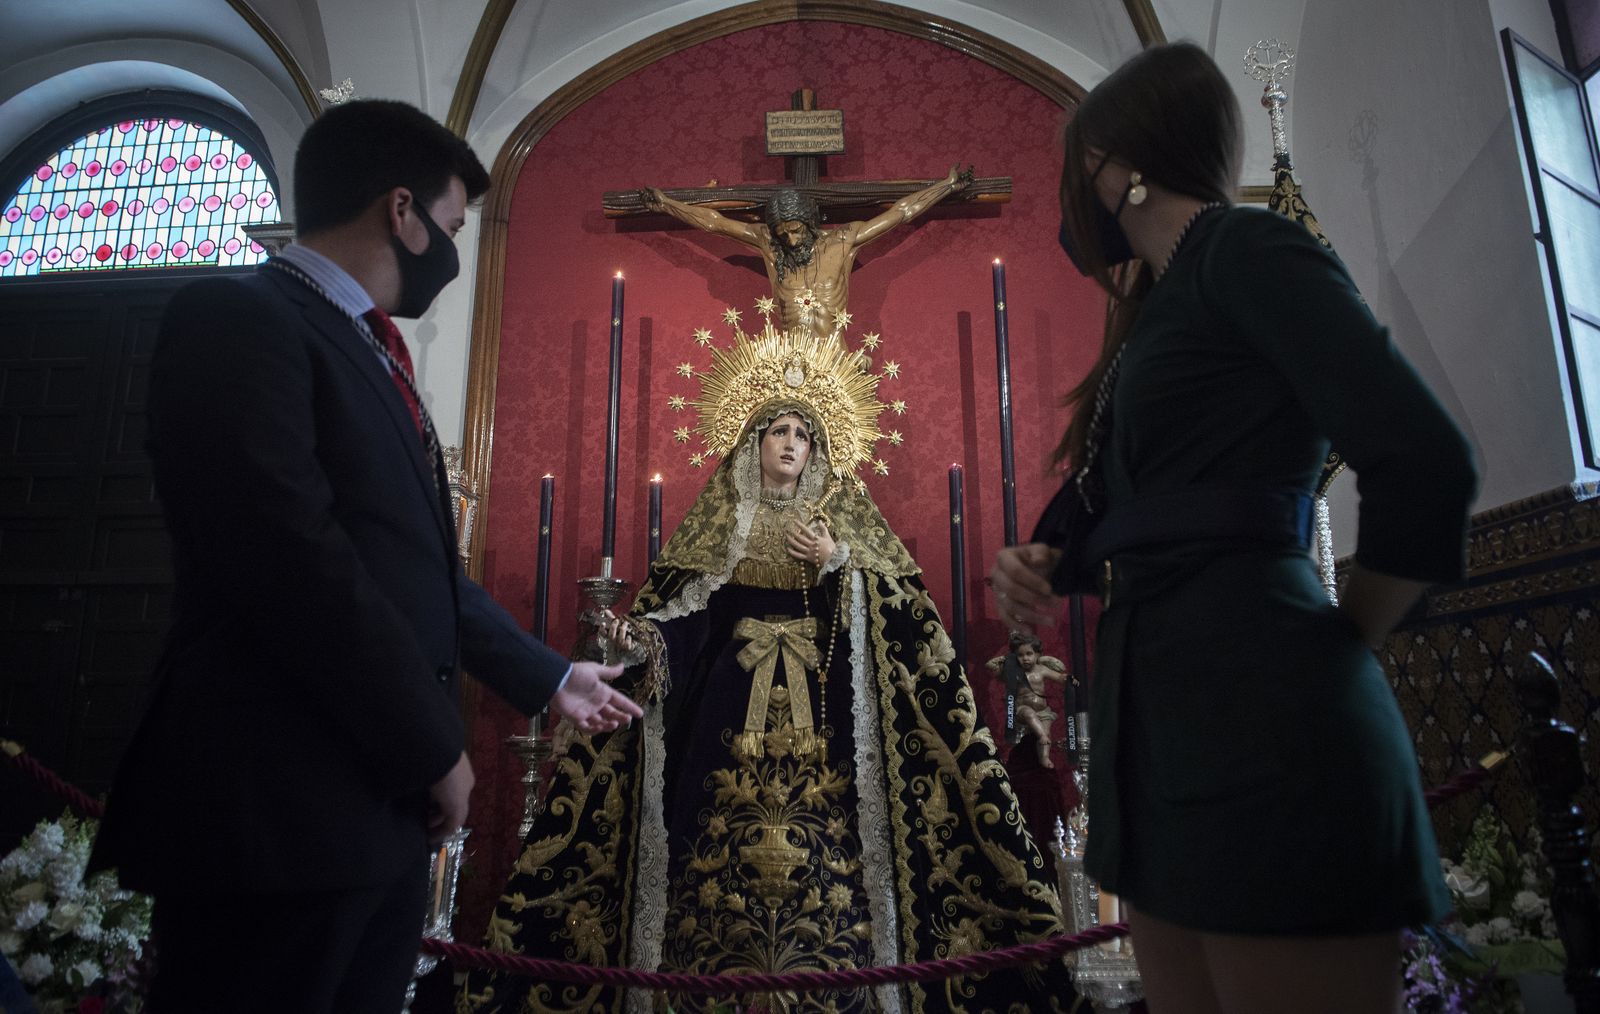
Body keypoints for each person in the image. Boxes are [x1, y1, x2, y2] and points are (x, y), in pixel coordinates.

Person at [88, 99, 642, 1014]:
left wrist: (548, 677)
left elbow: (409, 567)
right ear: (401, 211)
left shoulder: (368, 353)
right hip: (271, 810)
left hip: (369, 809)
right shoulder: (236, 318)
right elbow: (289, 561)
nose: (453, 254)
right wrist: (433, 745)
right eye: (453, 227)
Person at [988, 43, 1478, 1014]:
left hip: (1264, 714)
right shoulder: (1159, 305)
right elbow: (1161, 493)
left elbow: (1423, 457)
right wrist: (1050, 557)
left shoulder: (1246, 248)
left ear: (1118, 167)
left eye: (1075, 167)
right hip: (1161, 719)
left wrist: (1345, 639)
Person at [461, 327, 1075, 1013]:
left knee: (834, 842)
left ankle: (844, 983)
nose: (789, 443)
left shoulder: (841, 522)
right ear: (753, 444)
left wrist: (840, 561)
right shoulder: (724, 523)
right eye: (777, 431)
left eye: (802, 435)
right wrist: (639, 635)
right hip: (728, 707)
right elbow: (687, 614)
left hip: (827, 711)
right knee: (710, 836)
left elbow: (905, 617)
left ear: (817, 450)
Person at [641, 166, 972, 337]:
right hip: (787, 364)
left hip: (836, 360)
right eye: (783, 233)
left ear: (811, 224)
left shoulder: (844, 241)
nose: (791, 240)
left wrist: (946, 186)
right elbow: (714, 222)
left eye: (797, 230)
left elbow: (901, 212)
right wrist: (668, 205)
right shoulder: (771, 246)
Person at [985, 632, 1071, 768]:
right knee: (1030, 714)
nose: (1025, 658)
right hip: (1021, 710)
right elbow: (990, 667)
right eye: (1020, 655)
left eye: (1029, 654)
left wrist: (1068, 680)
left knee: (1047, 731)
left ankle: (1044, 758)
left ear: (1037, 655)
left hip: (1043, 711)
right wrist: (1006, 659)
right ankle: (1042, 736)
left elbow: (1060, 677)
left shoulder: (1042, 669)